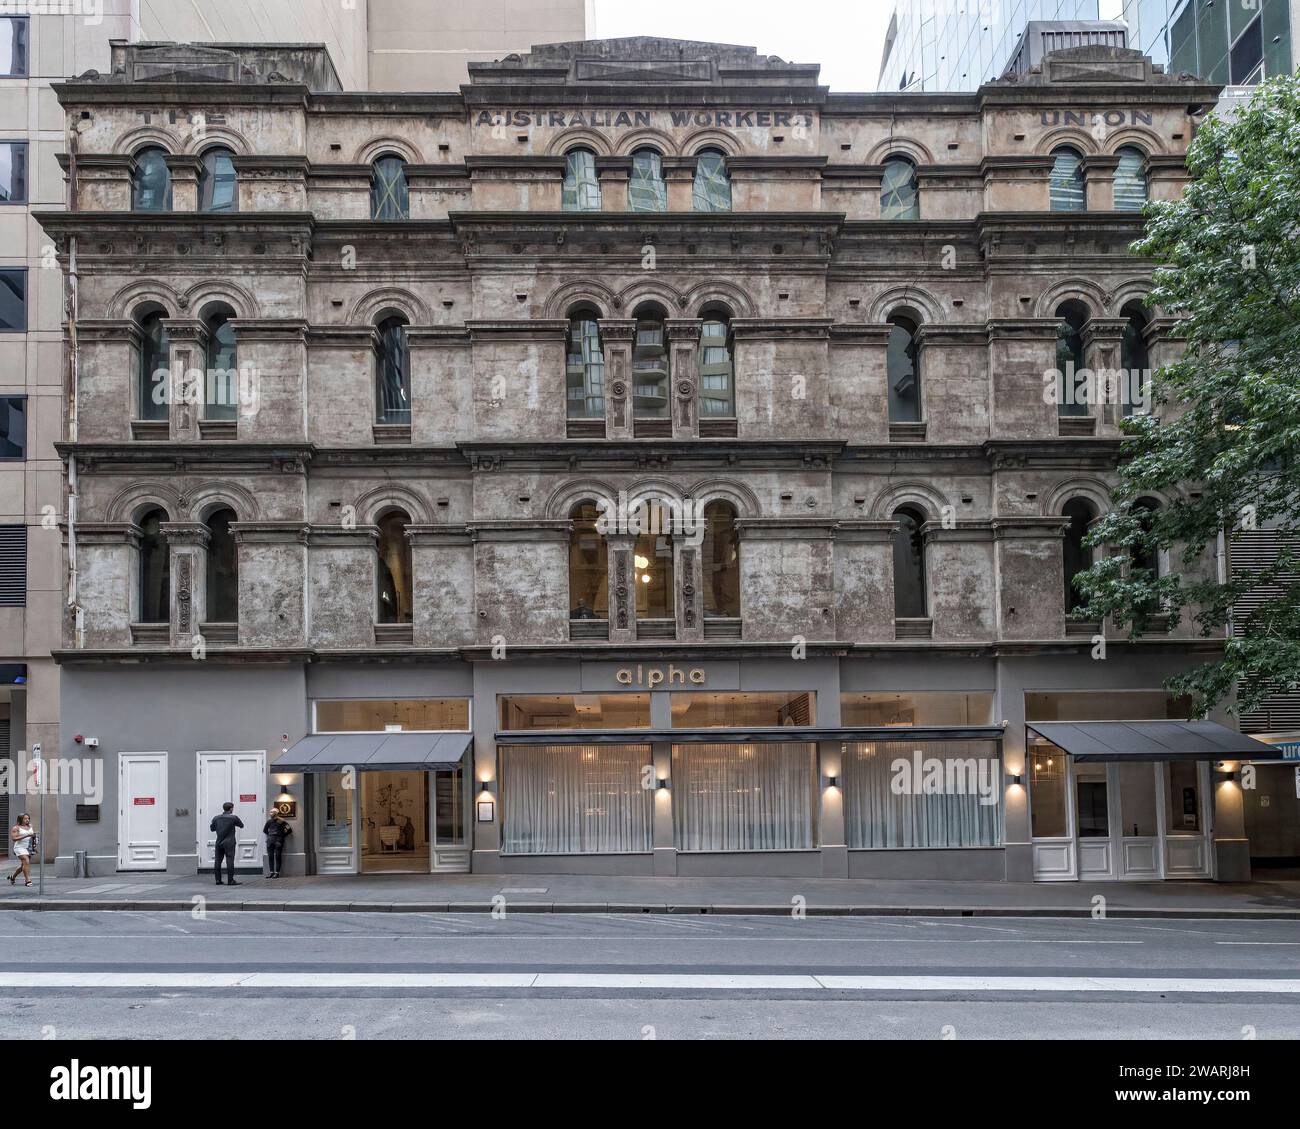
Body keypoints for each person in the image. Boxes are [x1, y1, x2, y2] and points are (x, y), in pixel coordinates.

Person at [210, 801, 244, 886]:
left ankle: (218, 880)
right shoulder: (233, 818)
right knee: (230, 861)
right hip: (229, 843)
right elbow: (241, 825)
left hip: (219, 842)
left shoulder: (216, 818)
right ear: (231, 808)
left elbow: (212, 829)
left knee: (217, 861)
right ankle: (230, 880)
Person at [262, 808, 292, 879]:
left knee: (278, 857)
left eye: (272, 812)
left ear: (276, 813)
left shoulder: (282, 821)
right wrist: (270, 835)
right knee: (270, 857)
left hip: (278, 841)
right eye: (270, 812)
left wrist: (282, 836)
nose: (270, 813)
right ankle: (271, 872)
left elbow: (289, 830)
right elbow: (265, 830)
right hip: (270, 840)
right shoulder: (269, 821)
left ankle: (277, 873)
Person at [7, 813, 34, 887]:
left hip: (28, 848)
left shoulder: (30, 826)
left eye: (28, 818)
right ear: (20, 819)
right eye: (25, 819)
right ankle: (28, 880)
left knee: (24, 865)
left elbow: (32, 836)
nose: (27, 820)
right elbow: (14, 838)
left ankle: (13, 877)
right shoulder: (16, 828)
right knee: (26, 861)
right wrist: (27, 835)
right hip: (19, 848)